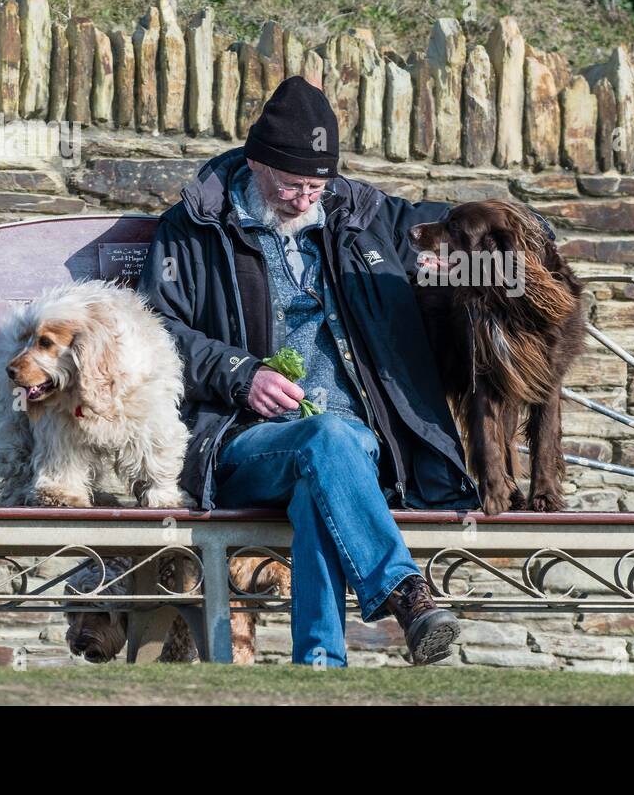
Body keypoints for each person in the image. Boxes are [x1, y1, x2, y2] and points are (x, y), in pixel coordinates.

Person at [139, 76, 479, 667]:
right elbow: (155, 331)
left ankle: (320, 668)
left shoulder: (363, 217)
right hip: (241, 442)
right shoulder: (193, 229)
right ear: (255, 165)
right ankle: (404, 592)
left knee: (322, 472)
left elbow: (460, 237)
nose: (304, 199)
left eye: (317, 186)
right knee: (327, 440)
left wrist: (527, 241)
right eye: (292, 184)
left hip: (362, 452)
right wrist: (240, 373)